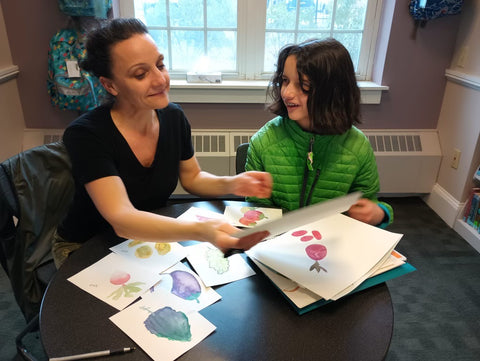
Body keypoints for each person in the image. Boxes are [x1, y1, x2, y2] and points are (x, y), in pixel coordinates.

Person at [53, 18, 272, 268]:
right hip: (88, 245)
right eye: (140, 74)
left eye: (160, 65)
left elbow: (193, 178)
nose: (160, 80)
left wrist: (234, 183)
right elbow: (122, 219)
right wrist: (202, 231)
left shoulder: (173, 117)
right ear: (110, 85)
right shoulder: (86, 134)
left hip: (145, 240)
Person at [246, 38, 393, 228]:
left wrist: (379, 214)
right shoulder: (264, 141)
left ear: (333, 91)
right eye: (285, 80)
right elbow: (256, 209)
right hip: (278, 246)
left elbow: (369, 204)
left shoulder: (357, 146)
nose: (287, 93)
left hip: (332, 246)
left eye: (303, 85)